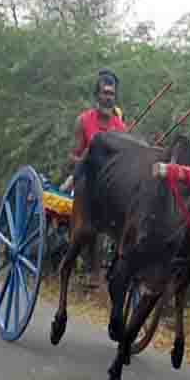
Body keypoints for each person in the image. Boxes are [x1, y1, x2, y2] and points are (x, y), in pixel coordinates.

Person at [62, 69, 127, 289]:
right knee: (95, 211)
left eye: (112, 94)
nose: (108, 97)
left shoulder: (120, 128)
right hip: (86, 181)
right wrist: (88, 157)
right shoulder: (84, 121)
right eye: (104, 93)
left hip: (111, 187)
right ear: (97, 95)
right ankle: (94, 269)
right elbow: (71, 157)